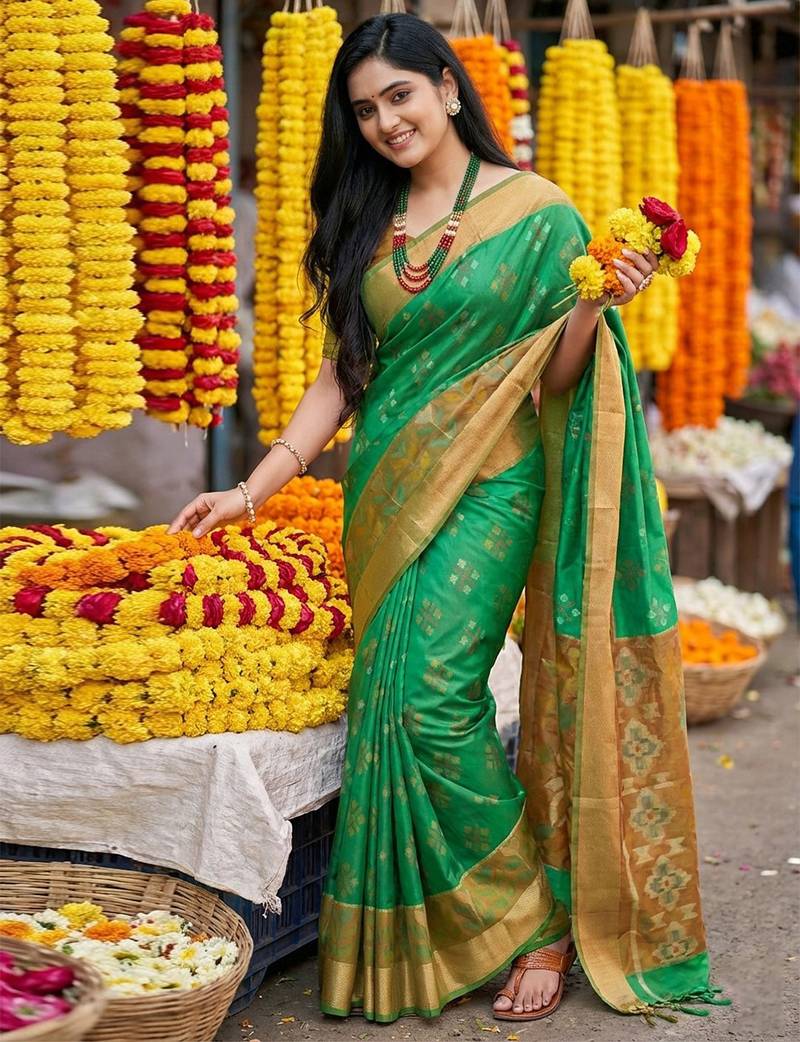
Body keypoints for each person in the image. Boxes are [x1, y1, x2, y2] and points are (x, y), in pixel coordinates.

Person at [169, 12, 726, 1027]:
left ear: (448, 89)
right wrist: (252, 486)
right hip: (383, 486)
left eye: (400, 96)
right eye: (365, 109)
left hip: (492, 483)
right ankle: (450, 923)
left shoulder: (537, 210)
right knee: (387, 700)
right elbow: (345, 377)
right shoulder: (364, 220)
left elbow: (551, 378)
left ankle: (534, 921)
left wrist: (595, 305)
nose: (385, 121)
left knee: (431, 696)